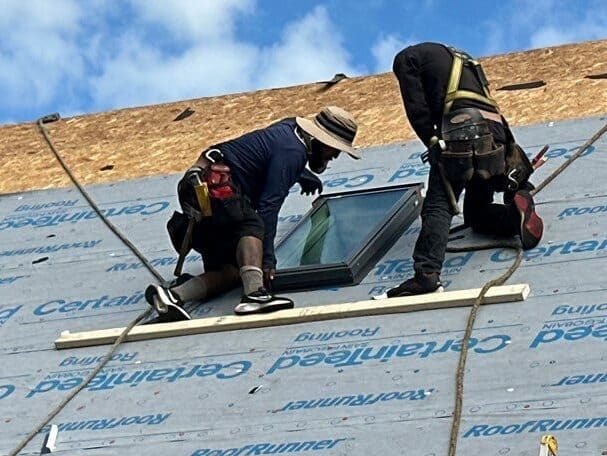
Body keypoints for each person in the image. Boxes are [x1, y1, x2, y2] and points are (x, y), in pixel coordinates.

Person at [145, 106, 360, 319]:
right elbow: (269, 206)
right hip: (218, 187)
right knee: (253, 226)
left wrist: (302, 174)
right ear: (320, 141)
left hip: (196, 187)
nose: (335, 155)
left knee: (233, 270)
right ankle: (255, 295)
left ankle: (172, 296)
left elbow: (270, 155)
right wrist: (267, 260)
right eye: (334, 149)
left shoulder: (289, 126)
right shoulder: (293, 152)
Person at [389, 41, 543, 297]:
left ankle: (426, 275)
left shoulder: (406, 58)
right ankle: (513, 217)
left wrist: (432, 140)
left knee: (438, 205)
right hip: (493, 133)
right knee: (476, 215)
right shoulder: (463, 58)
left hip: (461, 133)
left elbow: (416, 108)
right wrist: (514, 168)